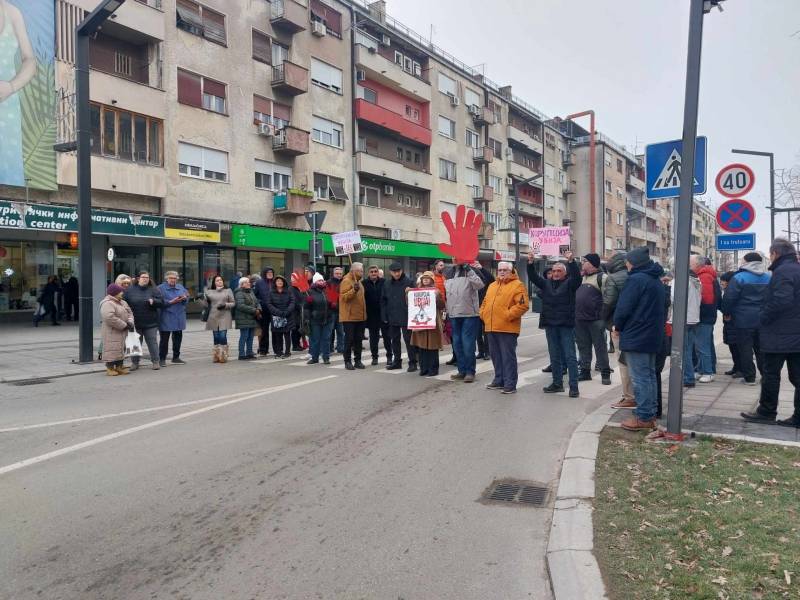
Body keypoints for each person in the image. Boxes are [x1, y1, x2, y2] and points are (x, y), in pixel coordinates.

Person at [742, 239, 800, 427]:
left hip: (779, 334)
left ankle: (766, 412)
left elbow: (782, 300)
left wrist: (764, 317)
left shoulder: (783, 271)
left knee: (770, 374)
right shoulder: (796, 269)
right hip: (794, 334)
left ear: (775, 253)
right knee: (797, 376)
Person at [612, 247, 667, 431]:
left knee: (640, 378)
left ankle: (644, 417)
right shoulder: (655, 279)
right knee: (649, 376)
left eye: (628, 261)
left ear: (634, 263)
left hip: (637, 334)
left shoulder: (636, 279)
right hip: (651, 334)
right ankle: (649, 413)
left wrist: (617, 326)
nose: (626, 264)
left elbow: (624, 307)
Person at [527, 251, 581, 397]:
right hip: (550, 324)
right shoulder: (546, 284)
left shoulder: (570, 284)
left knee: (570, 356)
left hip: (565, 325)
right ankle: (557, 384)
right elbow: (533, 277)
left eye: (559, 271)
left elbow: (577, 277)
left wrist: (571, 261)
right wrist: (530, 262)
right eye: (554, 271)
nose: (556, 273)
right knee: (554, 355)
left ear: (565, 273)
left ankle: (574, 387)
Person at [0, 0, 37, 187]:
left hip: (7, 109)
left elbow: (30, 60)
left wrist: (11, 86)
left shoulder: (12, 13)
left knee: (9, 172)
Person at [480, 261, 530, 394]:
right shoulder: (492, 285)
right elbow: (485, 302)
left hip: (507, 328)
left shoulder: (517, 285)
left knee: (508, 358)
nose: (502, 272)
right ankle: (499, 380)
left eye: (505, 270)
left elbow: (522, 305)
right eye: (500, 270)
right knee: (496, 356)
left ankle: (510, 384)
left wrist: (507, 315)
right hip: (491, 327)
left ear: (511, 271)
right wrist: (483, 314)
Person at [721, 252, 770, 385]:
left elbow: (729, 298)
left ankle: (750, 377)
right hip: (763, 319)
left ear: (747, 262)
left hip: (743, 320)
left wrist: (726, 312)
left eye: (743, 260)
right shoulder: (768, 277)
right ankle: (766, 376)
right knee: (761, 349)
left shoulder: (739, 278)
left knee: (745, 349)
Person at [444, 262, 485, 383]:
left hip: (469, 314)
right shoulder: (449, 272)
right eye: (453, 257)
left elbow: (480, 285)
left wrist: (469, 270)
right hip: (454, 314)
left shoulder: (471, 270)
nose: (454, 259)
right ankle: (461, 370)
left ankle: (470, 372)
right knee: (457, 344)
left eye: (456, 256)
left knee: (467, 344)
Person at [575, 253, 611, 385]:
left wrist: (603, 318)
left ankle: (605, 373)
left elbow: (609, 298)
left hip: (596, 320)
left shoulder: (603, 278)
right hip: (580, 319)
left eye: (584, 261)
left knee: (600, 347)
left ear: (591, 264)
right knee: (583, 347)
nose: (582, 263)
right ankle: (585, 371)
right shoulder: (581, 277)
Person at [603, 252, 632, 403]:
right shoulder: (633, 276)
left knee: (623, 362)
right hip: (635, 326)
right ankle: (633, 395)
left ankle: (629, 396)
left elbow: (609, 302)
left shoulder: (613, 278)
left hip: (618, 325)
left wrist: (603, 318)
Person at [123, 271, 163, 371]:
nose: (145, 279)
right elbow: (124, 303)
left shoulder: (154, 289)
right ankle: (135, 363)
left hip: (151, 322)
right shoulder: (130, 290)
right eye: (143, 277)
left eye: (147, 277)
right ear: (138, 279)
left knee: (152, 343)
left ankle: (156, 362)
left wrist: (154, 301)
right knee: (135, 343)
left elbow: (162, 302)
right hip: (135, 323)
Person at [382, 261, 416, 371]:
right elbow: (383, 300)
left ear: (402, 271)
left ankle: (413, 362)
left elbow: (416, 297)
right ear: (390, 272)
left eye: (398, 271)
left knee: (408, 340)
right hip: (392, 315)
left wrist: (412, 290)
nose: (396, 274)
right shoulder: (387, 283)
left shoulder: (409, 282)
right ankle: (397, 361)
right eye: (394, 272)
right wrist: (384, 315)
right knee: (394, 340)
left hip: (406, 315)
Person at [411, 271, 445, 376]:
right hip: (421, 322)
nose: (425, 279)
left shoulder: (436, 291)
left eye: (428, 278)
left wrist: (437, 297)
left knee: (432, 347)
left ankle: (433, 369)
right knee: (422, 347)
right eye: (423, 278)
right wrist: (408, 294)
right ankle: (424, 368)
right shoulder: (416, 292)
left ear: (432, 280)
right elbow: (411, 305)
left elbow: (442, 305)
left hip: (432, 322)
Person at [691, 254, 719, 382]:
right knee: (699, 346)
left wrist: (696, 312)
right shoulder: (703, 275)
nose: (689, 266)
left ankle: (708, 372)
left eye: (690, 264)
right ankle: (701, 369)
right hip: (704, 316)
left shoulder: (704, 277)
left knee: (703, 346)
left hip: (704, 316)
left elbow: (706, 299)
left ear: (697, 265)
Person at [99, 283, 135, 376]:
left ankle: (119, 366)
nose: (122, 293)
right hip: (112, 331)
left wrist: (130, 322)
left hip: (123, 330)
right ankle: (110, 368)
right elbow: (109, 317)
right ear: (114, 293)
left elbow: (130, 312)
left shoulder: (123, 302)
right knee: (111, 348)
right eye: (120, 291)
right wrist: (123, 325)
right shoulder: (107, 303)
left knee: (120, 348)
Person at [157, 271, 189, 367]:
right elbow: (158, 302)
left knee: (178, 338)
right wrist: (171, 301)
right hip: (166, 316)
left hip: (179, 315)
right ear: (166, 279)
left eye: (175, 278)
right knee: (164, 339)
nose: (173, 280)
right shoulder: (160, 288)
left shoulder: (180, 287)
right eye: (171, 278)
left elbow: (187, 298)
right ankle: (162, 358)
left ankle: (176, 357)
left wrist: (185, 298)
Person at [339, 262, 367, 370]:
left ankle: (357, 360)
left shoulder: (359, 281)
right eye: (360, 271)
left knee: (358, 340)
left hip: (360, 316)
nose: (362, 273)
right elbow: (344, 297)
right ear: (353, 271)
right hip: (349, 317)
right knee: (349, 340)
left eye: (362, 271)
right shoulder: (346, 281)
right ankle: (347, 361)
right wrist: (354, 290)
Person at [203, 274, 235, 363]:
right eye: (217, 280)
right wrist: (203, 298)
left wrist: (225, 305)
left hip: (225, 316)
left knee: (222, 336)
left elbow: (233, 303)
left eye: (221, 280)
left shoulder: (228, 290)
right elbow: (205, 305)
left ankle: (223, 356)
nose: (219, 281)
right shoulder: (209, 292)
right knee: (216, 337)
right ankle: (216, 356)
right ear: (214, 282)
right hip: (213, 316)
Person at [305, 273, 336, 364]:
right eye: (319, 280)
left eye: (322, 280)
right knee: (315, 339)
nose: (321, 282)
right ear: (315, 282)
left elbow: (335, 303)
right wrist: (307, 316)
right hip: (315, 319)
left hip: (328, 319)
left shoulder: (328, 290)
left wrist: (334, 305)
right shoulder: (309, 292)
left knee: (326, 339)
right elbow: (306, 307)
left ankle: (326, 357)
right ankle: (315, 358)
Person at [364, 265, 390, 365]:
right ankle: (374, 357)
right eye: (372, 272)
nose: (374, 273)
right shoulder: (364, 283)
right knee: (373, 338)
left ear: (378, 273)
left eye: (375, 271)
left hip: (383, 313)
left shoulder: (385, 282)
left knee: (387, 337)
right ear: (368, 273)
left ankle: (389, 356)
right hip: (371, 315)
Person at [718, 271, 742, 377]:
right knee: (733, 347)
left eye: (723, 281)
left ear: (728, 281)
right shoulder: (728, 291)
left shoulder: (732, 291)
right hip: (729, 323)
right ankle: (736, 367)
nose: (721, 283)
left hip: (734, 322)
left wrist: (726, 312)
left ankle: (740, 369)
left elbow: (729, 306)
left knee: (736, 348)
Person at [267, 275, 294, 358]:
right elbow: (269, 304)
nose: (280, 282)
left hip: (287, 316)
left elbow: (292, 302)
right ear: (275, 283)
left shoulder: (289, 291)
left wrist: (287, 311)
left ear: (284, 282)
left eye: (281, 281)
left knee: (287, 335)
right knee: (278, 335)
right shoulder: (271, 292)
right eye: (278, 281)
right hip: (276, 317)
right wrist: (277, 312)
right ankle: (279, 352)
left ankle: (287, 352)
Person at [234, 276, 260, 360]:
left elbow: (257, 302)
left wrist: (259, 309)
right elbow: (240, 306)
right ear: (242, 284)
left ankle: (249, 352)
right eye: (246, 282)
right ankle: (241, 354)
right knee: (244, 336)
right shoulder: (239, 292)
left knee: (250, 337)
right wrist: (254, 310)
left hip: (252, 317)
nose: (249, 283)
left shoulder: (250, 291)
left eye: (249, 282)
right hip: (243, 318)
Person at [474, 262, 495, 360]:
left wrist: (481, 268)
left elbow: (491, 279)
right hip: (475, 308)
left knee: (486, 331)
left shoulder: (485, 278)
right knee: (478, 332)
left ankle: (488, 352)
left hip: (485, 307)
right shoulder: (472, 278)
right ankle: (481, 351)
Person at [254, 267, 275, 356]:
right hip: (264, 310)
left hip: (275, 310)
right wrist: (261, 303)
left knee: (275, 331)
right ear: (264, 273)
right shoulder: (259, 282)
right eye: (268, 272)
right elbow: (255, 296)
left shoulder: (275, 282)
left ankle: (277, 349)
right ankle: (263, 350)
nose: (270, 273)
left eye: (271, 272)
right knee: (264, 331)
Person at [292, 266, 314, 351]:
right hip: (298, 311)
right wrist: (301, 304)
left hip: (306, 310)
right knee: (297, 328)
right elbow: (294, 299)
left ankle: (303, 342)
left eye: (308, 272)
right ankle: (296, 345)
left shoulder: (310, 284)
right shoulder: (295, 287)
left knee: (304, 327)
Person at [328, 267, 345, 354]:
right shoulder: (329, 282)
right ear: (333, 274)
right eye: (337, 273)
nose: (338, 275)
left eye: (340, 274)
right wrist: (330, 302)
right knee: (330, 331)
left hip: (341, 311)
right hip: (331, 311)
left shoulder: (344, 282)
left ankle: (340, 347)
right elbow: (326, 294)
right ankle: (330, 347)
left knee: (340, 331)